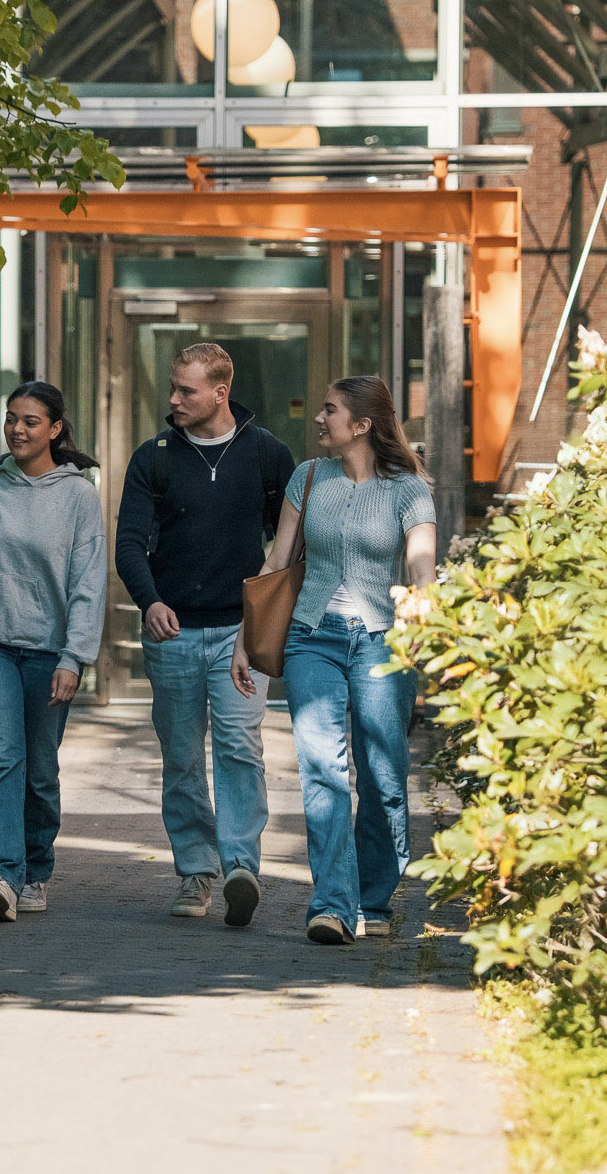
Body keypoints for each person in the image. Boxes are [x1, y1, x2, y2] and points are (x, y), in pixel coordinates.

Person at [232, 374, 435, 946]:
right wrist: (245, 639)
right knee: (323, 770)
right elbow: (277, 560)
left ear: (362, 425)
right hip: (310, 637)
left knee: (384, 778)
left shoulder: (408, 489)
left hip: (381, 642)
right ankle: (332, 906)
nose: (319, 419)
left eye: (330, 410)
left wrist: (425, 622)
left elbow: (422, 567)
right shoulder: (309, 476)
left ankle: (373, 897)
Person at [115, 342, 295, 926]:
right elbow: (128, 544)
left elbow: (288, 544)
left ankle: (241, 865)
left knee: (241, 747)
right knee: (184, 759)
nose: (173, 399)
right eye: (172, 387)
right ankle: (196, 871)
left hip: (239, 636)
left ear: (220, 393)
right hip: (173, 635)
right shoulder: (155, 458)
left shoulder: (267, 455)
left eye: (186, 391)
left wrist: (264, 617)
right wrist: (151, 601)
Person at [0, 382, 107, 923]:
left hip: (48, 651)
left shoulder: (78, 494)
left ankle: (36, 868)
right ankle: (0, 873)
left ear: (55, 429)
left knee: (39, 770)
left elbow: (88, 581)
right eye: (11, 418)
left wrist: (74, 656)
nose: (17, 429)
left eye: (30, 421)